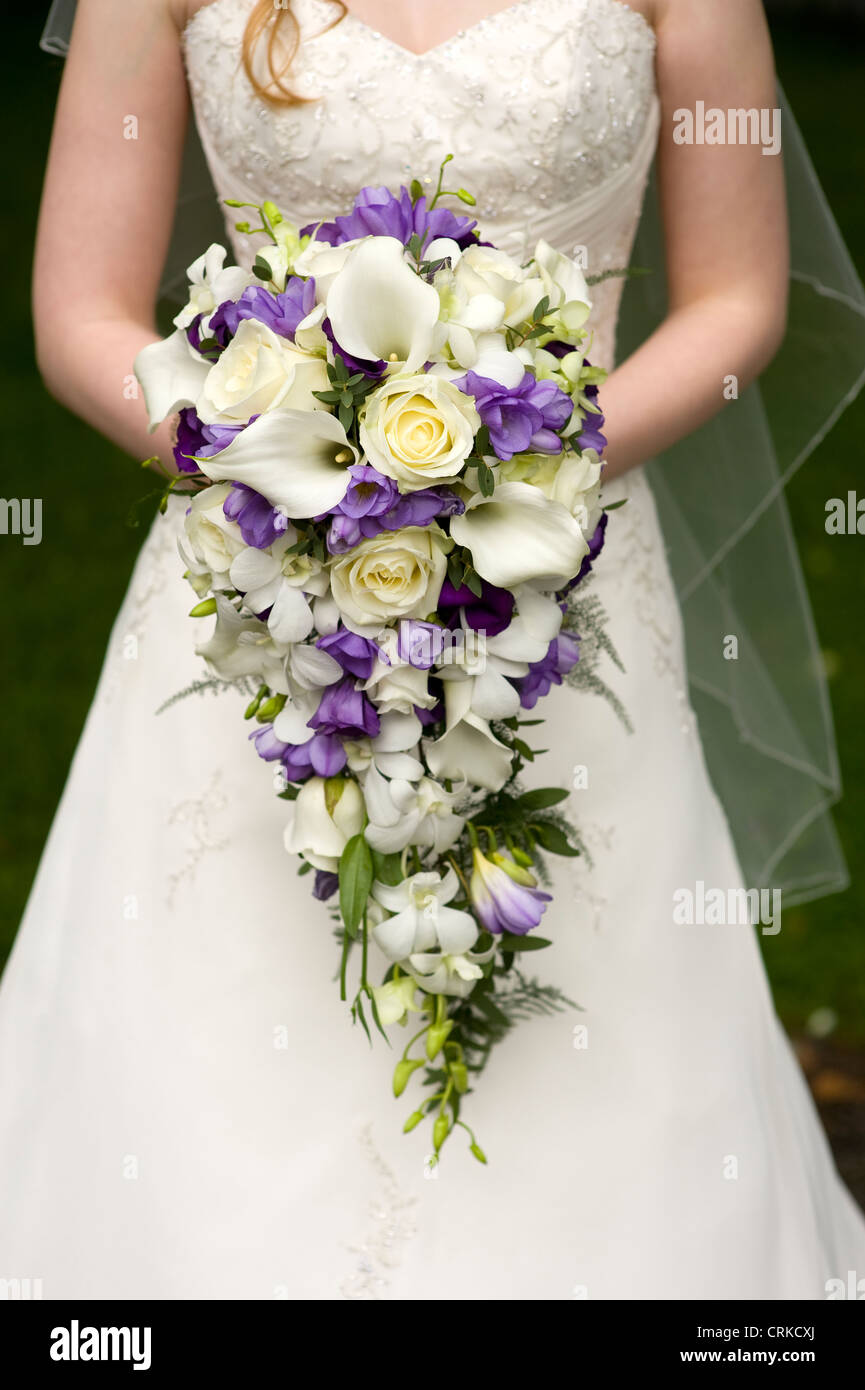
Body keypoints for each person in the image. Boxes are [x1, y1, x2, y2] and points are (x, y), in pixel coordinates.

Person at [2, 0, 863, 1299]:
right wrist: (271, 470)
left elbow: (736, 300)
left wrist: (516, 470)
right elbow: (78, 311)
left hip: (560, 564)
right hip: (262, 572)